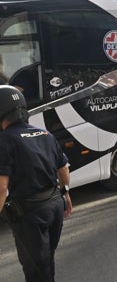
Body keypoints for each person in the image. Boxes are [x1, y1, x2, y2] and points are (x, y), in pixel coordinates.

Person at [0, 85, 73, 282]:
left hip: (30, 214)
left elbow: (1, 187)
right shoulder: (45, 134)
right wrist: (65, 194)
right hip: (55, 207)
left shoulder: (5, 140)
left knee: (36, 270)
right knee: (47, 260)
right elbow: (63, 168)